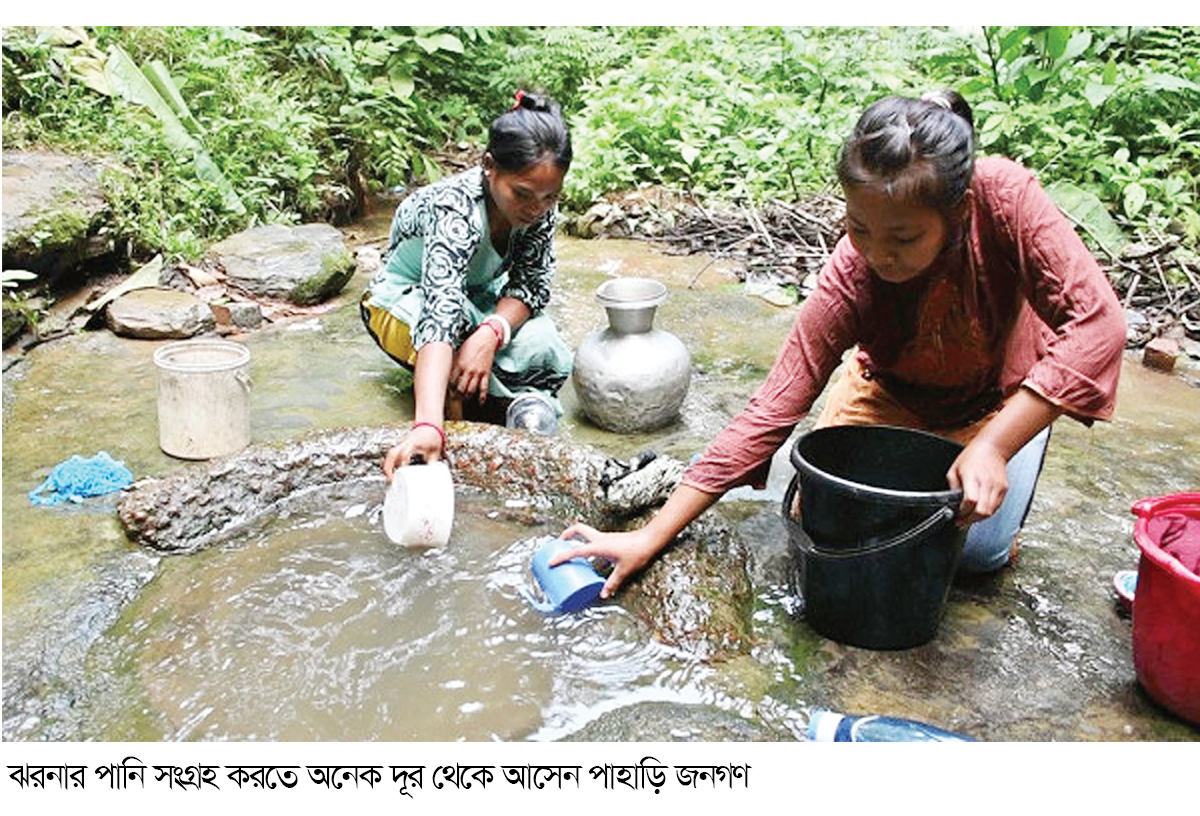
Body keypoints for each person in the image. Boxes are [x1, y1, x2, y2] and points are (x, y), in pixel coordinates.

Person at [555, 90, 1126, 596]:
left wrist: (997, 444)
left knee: (973, 556)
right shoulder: (852, 277)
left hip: (1001, 401)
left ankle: (1008, 472)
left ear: (959, 211)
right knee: (822, 520)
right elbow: (769, 410)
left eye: (903, 237)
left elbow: (1099, 325)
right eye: (859, 228)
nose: (878, 253)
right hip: (892, 393)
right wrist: (650, 537)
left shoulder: (1003, 200)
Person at [361, 91, 574, 479]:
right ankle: (456, 408)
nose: (536, 208)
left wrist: (491, 333)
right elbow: (440, 312)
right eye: (523, 194)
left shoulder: (539, 207)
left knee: (545, 342)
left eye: (550, 197)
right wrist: (427, 426)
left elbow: (532, 287)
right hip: (404, 300)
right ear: (489, 166)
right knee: (457, 331)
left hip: (477, 299)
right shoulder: (454, 210)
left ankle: (478, 390)